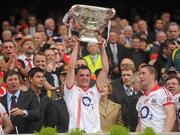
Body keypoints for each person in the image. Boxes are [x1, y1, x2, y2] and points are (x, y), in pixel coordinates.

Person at [64, 36, 109, 133]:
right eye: (81, 75)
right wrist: (77, 44)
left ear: (90, 77)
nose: (84, 78)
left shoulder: (95, 92)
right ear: (76, 77)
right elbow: (70, 68)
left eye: (87, 75)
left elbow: (105, 70)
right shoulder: (71, 91)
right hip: (77, 133)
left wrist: (101, 47)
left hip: (95, 132)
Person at [136, 65, 176, 132]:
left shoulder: (163, 92)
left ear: (152, 75)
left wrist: (165, 133)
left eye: (143, 73)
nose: (140, 76)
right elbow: (139, 124)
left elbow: (171, 116)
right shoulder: (141, 99)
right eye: (139, 74)